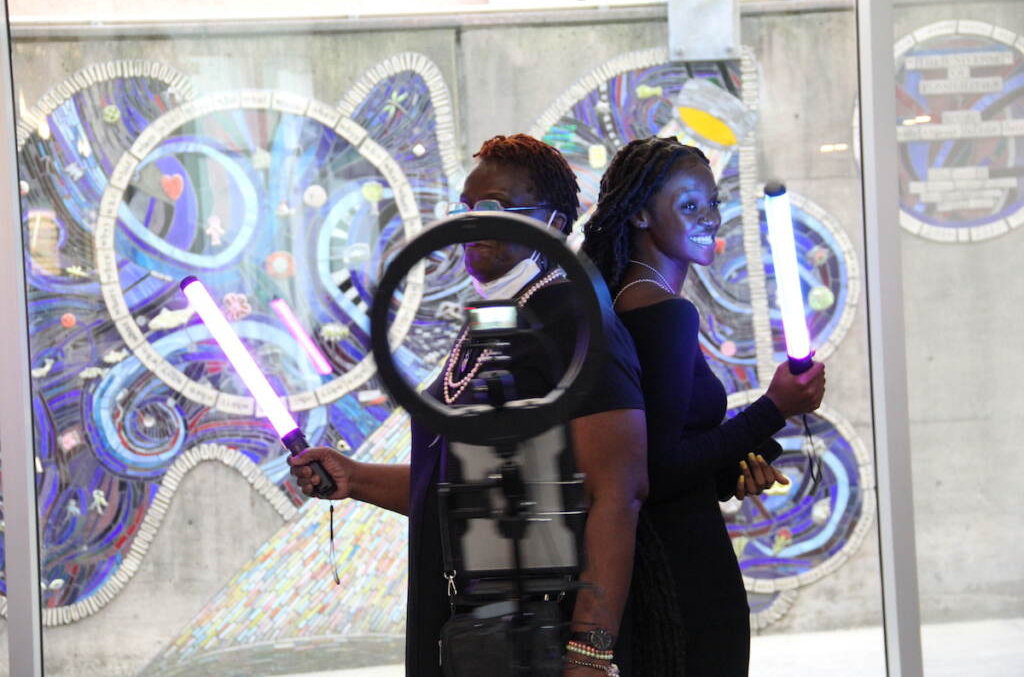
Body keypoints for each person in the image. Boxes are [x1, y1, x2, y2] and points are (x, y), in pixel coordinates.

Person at [291, 134, 647, 676]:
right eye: (466, 207)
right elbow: (456, 484)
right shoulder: (497, 317)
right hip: (469, 634)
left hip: (536, 638)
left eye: (496, 209)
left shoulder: (573, 317)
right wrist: (355, 478)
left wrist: (591, 653)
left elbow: (618, 493)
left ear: (552, 223)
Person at [581, 136, 826, 676]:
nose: (709, 217)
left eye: (712, 202)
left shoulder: (625, 298)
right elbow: (655, 473)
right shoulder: (662, 312)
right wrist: (774, 408)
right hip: (681, 574)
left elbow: (658, 447)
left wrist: (730, 463)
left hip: (661, 564)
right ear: (641, 214)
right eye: (688, 205)